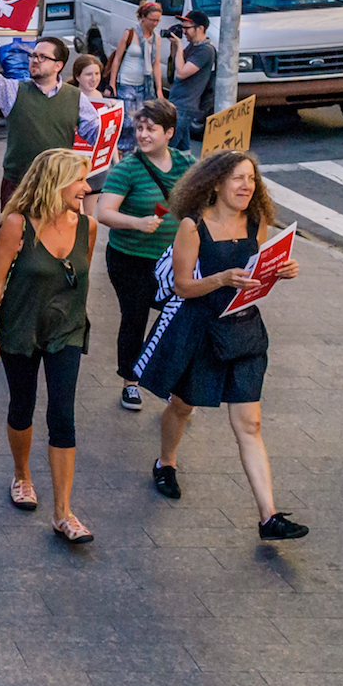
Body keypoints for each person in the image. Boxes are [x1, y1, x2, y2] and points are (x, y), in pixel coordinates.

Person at [134, 152, 306, 539]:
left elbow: (255, 277)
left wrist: (280, 272)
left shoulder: (257, 222)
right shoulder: (193, 227)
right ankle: (166, 461)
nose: (247, 186)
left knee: (251, 424)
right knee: (182, 406)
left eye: (251, 179)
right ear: (214, 184)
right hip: (200, 332)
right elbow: (182, 286)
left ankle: (268, 516)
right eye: (237, 179)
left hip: (243, 334)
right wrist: (222, 278)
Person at [0, 149, 98, 544]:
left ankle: (63, 512)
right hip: (20, 327)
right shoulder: (17, 224)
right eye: (79, 180)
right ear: (56, 182)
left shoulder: (87, 227)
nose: (86, 187)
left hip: (66, 329)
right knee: (22, 405)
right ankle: (22, 475)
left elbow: (79, 276)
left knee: (62, 414)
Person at [96, 99, 193, 412]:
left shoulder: (185, 164)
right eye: (139, 128)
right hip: (131, 259)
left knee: (176, 318)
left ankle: (167, 381)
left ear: (169, 133)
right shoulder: (127, 169)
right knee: (135, 318)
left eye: (151, 129)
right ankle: (130, 381)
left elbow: (202, 197)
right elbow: (104, 212)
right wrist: (137, 222)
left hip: (173, 259)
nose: (143, 134)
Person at [0, 25, 101, 208]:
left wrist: (111, 116)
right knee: (14, 234)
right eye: (33, 55)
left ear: (59, 65)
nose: (35, 60)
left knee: (55, 236)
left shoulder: (75, 97)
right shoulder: (15, 91)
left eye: (43, 57)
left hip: (59, 185)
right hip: (19, 183)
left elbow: (96, 135)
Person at [107, 0, 164, 155]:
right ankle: (122, 152)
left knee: (140, 120)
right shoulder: (130, 34)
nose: (154, 23)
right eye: (152, 20)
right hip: (126, 82)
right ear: (143, 18)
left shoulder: (155, 38)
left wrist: (159, 89)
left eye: (157, 20)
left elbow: (156, 63)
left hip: (144, 84)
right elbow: (117, 59)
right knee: (127, 122)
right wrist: (112, 84)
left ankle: (132, 152)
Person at [167, 10, 216, 153]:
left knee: (168, 148)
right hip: (177, 101)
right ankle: (189, 173)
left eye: (187, 28)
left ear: (200, 28)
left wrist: (179, 44)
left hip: (185, 105)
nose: (184, 32)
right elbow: (175, 67)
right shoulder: (193, 46)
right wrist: (175, 46)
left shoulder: (205, 50)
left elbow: (182, 72)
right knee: (183, 150)